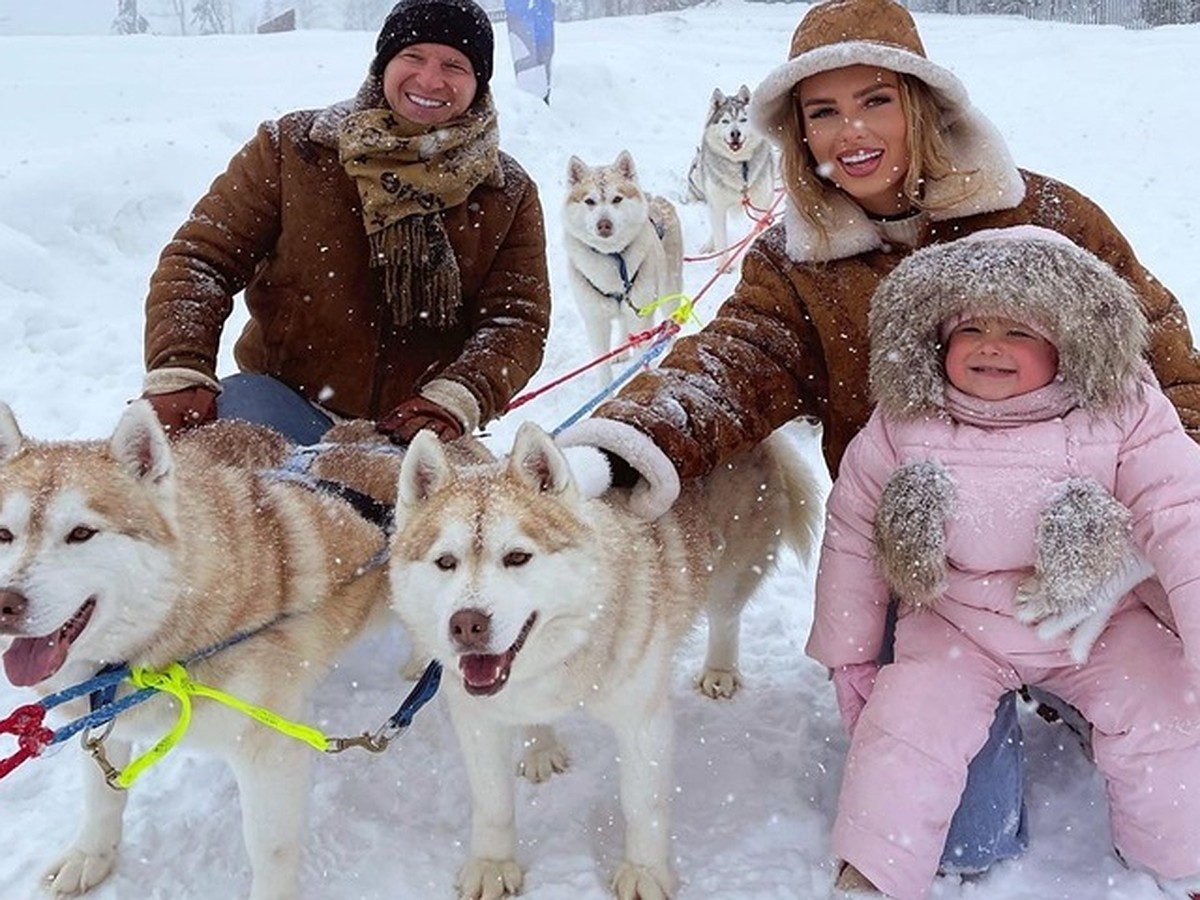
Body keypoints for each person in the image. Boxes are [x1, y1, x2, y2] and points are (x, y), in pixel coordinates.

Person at [554, 0, 1200, 880]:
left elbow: (1168, 367)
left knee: (1159, 714)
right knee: (963, 839)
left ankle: (1089, 702)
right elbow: (733, 364)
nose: (850, 131)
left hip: (1092, 568)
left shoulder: (1046, 218)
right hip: (937, 580)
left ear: (923, 105)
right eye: (822, 112)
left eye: (875, 101)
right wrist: (616, 448)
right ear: (796, 135)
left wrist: (1141, 560)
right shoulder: (798, 262)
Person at [808, 226, 1200, 899]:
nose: (991, 346)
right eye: (972, 330)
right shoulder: (907, 420)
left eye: (1018, 331)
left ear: (1065, 343)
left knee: (1164, 712)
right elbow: (852, 532)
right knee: (906, 732)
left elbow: (1182, 514)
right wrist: (851, 656)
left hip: (1093, 616)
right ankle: (873, 870)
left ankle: (1183, 851)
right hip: (958, 623)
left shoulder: (1121, 409)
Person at [140, 0, 551, 447]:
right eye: (412, 57)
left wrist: (456, 397)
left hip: (414, 428)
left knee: (470, 517)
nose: (431, 80)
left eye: (455, 65)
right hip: (283, 403)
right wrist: (179, 366)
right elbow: (201, 260)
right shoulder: (292, 150)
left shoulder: (505, 191)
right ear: (383, 64)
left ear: (478, 83)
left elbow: (515, 321)